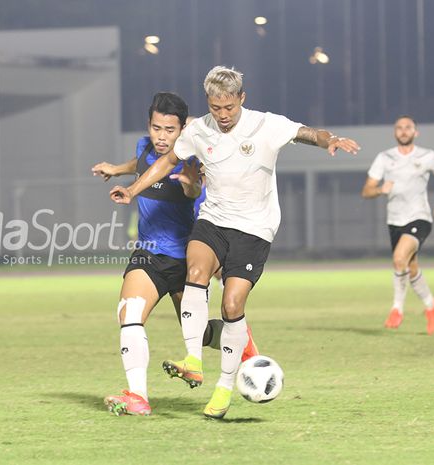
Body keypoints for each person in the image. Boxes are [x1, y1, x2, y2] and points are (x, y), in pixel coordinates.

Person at [110, 66, 360, 419]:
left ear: (241, 99)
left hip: (253, 229)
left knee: (231, 307)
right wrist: (132, 188)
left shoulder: (265, 124)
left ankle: (226, 384)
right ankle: (187, 364)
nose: (223, 115)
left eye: (229, 107)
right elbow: (162, 160)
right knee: (184, 276)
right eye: (215, 107)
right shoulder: (198, 131)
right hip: (209, 224)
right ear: (208, 103)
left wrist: (328, 139)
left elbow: (306, 133)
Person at [93, 92, 257, 417]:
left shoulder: (191, 162)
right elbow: (140, 164)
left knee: (203, 334)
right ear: (149, 126)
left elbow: (193, 191)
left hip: (186, 259)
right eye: (157, 128)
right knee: (130, 313)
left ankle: (245, 347)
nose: (162, 136)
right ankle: (138, 397)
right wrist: (116, 169)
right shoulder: (144, 146)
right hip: (149, 255)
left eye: (170, 130)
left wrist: (192, 187)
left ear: (183, 129)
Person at [361, 115, 434, 335]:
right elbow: (366, 191)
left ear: (415, 132)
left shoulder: (427, 156)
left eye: (408, 127)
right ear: (395, 132)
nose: (403, 131)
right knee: (410, 268)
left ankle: (397, 309)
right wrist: (381, 189)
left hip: (420, 218)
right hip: (395, 220)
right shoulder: (384, 158)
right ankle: (432, 305)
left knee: (399, 258)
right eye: (399, 128)